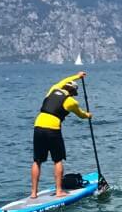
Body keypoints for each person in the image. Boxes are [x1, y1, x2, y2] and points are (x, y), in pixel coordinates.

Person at [31, 71, 92, 199]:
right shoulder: (71, 102)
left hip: (38, 126)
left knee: (37, 161)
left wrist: (77, 76)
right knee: (57, 160)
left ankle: (33, 193)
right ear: (72, 92)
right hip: (52, 129)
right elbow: (81, 115)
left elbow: (64, 80)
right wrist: (88, 115)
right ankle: (59, 191)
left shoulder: (53, 90)